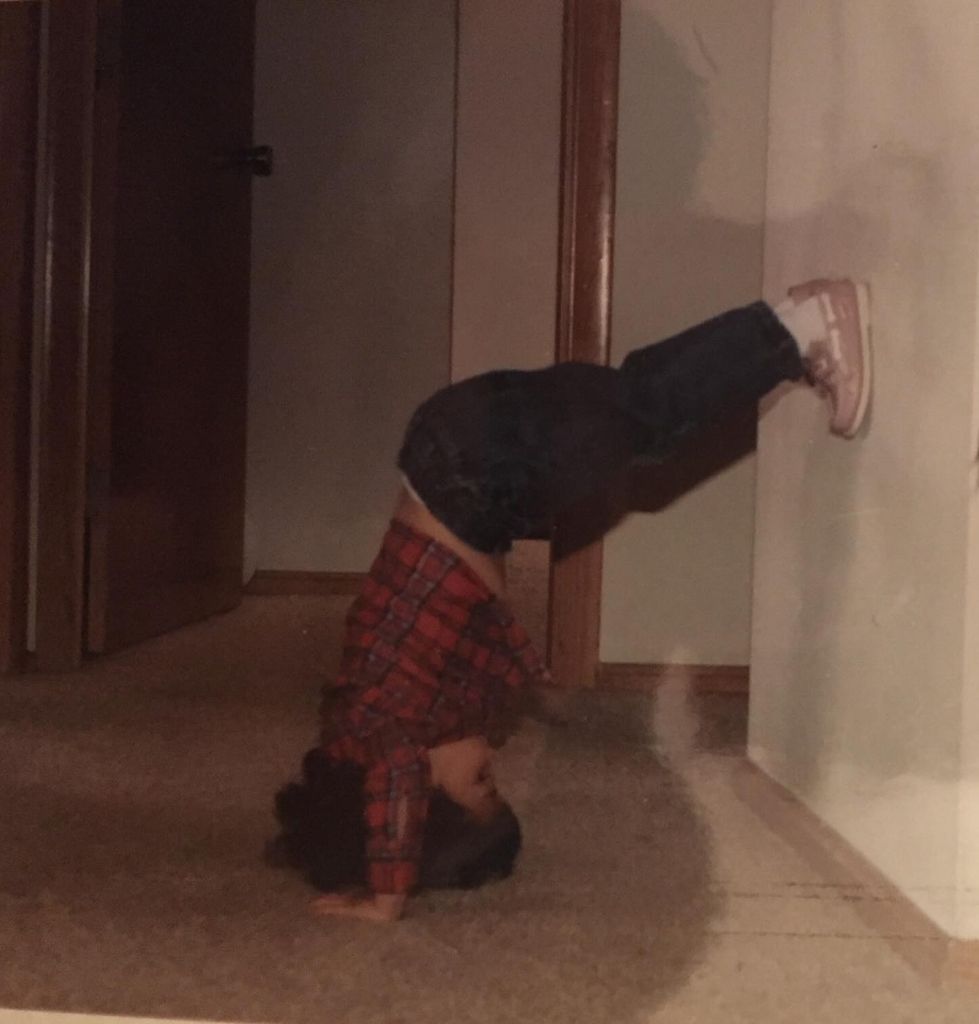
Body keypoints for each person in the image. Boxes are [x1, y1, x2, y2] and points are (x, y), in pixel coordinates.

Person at [282, 278, 871, 923]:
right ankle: (790, 326)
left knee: (644, 415)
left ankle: (799, 325)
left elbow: (394, 773)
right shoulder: (407, 712)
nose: (490, 760)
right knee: (637, 418)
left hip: (473, 469)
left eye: (479, 782)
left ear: (423, 801)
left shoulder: (383, 728)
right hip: (466, 465)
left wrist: (389, 891)